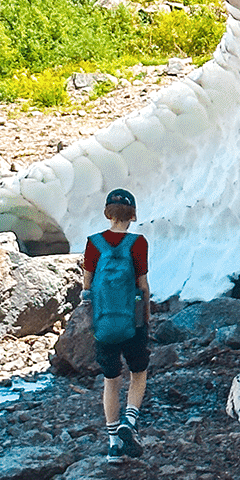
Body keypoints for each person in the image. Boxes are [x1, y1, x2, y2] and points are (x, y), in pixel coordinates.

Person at [81, 188, 150, 459]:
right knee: (138, 374)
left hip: (104, 323)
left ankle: (112, 446)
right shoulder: (138, 242)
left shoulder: (93, 243)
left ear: (108, 213)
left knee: (111, 381)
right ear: (132, 215)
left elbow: (87, 286)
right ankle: (129, 422)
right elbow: (142, 285)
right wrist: (146, 318)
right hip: (132, 322)